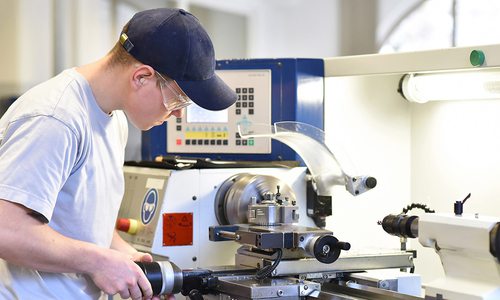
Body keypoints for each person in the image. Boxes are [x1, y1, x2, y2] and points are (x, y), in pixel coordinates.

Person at [0, 7, 236, 300]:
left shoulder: (115, 120)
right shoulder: (55, 118)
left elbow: (81, 221)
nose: (176, 114)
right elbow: (6, 230)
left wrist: (126, 259)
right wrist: (98, 262)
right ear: (141, 77)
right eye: (178, 99)